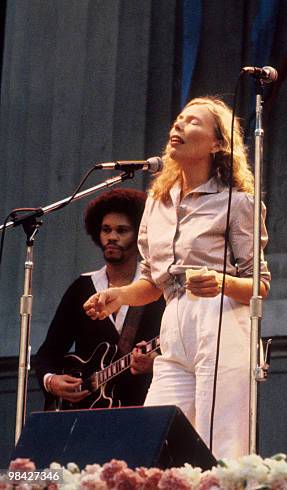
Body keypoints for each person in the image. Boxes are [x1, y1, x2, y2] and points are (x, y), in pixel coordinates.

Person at [83, 96, 271, 459]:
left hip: (222, 320)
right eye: (179, 119)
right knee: (158, 437)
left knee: (222, 442)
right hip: (174, 323)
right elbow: (153, 283)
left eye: (193, 122)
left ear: (218, 143)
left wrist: (221, 282)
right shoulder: (158, 201)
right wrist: (119, 296)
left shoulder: (237, 202)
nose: (179, 126)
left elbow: (260, 284)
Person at [34, 189, 165, 410]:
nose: (112, 237)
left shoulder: (158, 289)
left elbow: (176, 346)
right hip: (86, 414)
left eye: (122, 230)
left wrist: (155, 364)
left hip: (141, 408)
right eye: (106, 230)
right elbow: (48, 352)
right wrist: (51, 381)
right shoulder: (82, 287)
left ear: (141, 236)